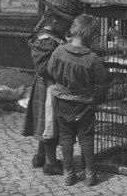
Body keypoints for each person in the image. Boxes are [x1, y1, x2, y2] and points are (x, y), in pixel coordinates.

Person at [46, 14, 109, 186]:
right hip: (84, 103)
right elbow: (102, 79)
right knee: (86, 137)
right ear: (93, 37)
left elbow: (51, 70)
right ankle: (90, 174)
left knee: (66, 137)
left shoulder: (58, 51)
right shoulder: (92, 59)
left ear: (73, 31)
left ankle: (68, 174)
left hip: (62, 101)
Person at [21, 0, 79, 175]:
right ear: (55, 21)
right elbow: (45, 68)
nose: (68, 28)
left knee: (45, 124)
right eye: (67, 24)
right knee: (50, 123)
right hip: (48, 87)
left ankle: (40, 156)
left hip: (48, 85)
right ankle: (51, 163)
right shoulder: (45, 41)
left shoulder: (53, 37)